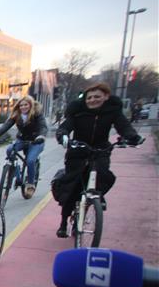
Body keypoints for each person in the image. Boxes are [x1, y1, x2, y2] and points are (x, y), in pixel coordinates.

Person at [54, 82, 142, 237]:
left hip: (101, 149)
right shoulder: (78, 111)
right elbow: (66, 126)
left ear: (106, 97)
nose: (93, 100)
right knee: (72, 186)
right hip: (78, 150)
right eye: (89, 97)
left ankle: (95, 198)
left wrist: (132, 137)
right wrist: (63, 135)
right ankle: (63, 222)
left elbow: (124, 126)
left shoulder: (112, 112)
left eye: (97, 97)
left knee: (102, 175)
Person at [0, 95, 48, 199]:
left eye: (26, 105)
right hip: (22, 140)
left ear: (30, 105)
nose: (23, 107)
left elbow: (43, 126)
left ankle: (30, 184)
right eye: (21, 105)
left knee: (30, 161)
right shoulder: (17, 115)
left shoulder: (37, 114)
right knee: (9, 150)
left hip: (36, 141)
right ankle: (15, 169)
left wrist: (41, 136)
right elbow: (6, 125)